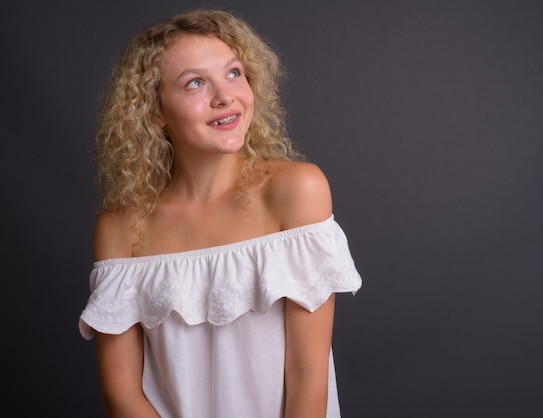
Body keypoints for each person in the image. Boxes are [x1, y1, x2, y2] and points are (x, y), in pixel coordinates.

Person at [78, 8, 362, 418]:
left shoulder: (297, 191)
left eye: (233, 73)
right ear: (154, 111)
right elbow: (120, 393)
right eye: (195, 83)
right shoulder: (122, 228)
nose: (225, 96)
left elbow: (307, 375)